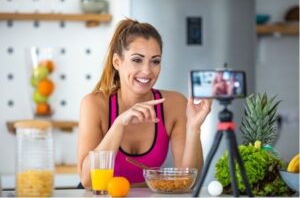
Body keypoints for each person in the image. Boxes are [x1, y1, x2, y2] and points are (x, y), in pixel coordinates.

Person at [77, 18, 212, 188]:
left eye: (155, 61)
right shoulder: (94, 104)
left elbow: (187, 181)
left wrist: (194, 128)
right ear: (117, 62)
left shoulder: (174, 104)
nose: (147, 71)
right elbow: (88, 182)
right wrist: (119, 124)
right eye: (137, 60)